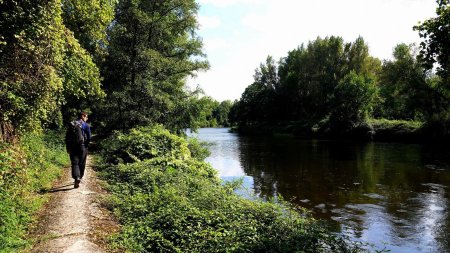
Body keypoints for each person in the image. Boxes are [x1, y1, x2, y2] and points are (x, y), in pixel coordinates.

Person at [65, 112, 91, 188]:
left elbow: (67, 137)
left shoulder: (72, 124)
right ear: (83, 116)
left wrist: (68, 147)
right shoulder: (85, 125)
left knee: (75, 163)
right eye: (86, 116)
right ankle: (80, 177)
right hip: (82, 146)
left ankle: (77, 177)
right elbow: (89, 137)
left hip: (73, 147)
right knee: (81, 163)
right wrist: (86, 144)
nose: (87, 118)